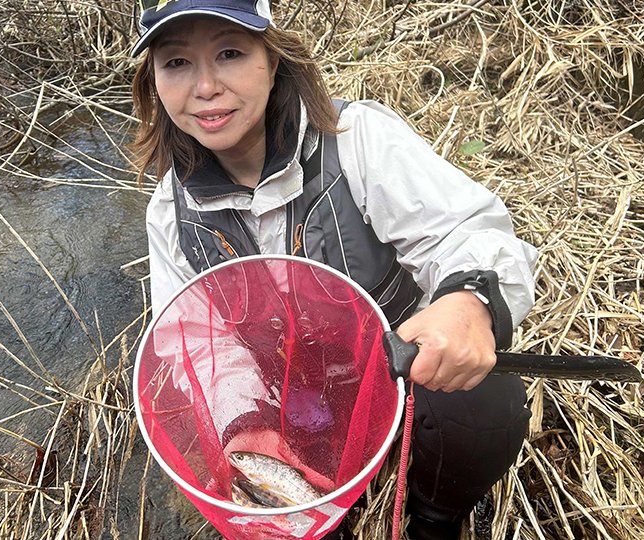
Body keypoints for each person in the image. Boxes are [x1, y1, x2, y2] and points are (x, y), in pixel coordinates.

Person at [129, 1, 538, 538]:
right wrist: (244, 422)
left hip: (396, 369)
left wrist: (466, 305)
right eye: (176, 63)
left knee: (486, 402)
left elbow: (463, 232)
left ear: (272, 60)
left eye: (229, 53)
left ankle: (434, 518)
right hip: (282, 389)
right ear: (153, 81)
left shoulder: (355, 139)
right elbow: (198, 342)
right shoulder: (169, 212)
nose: (204, 87)